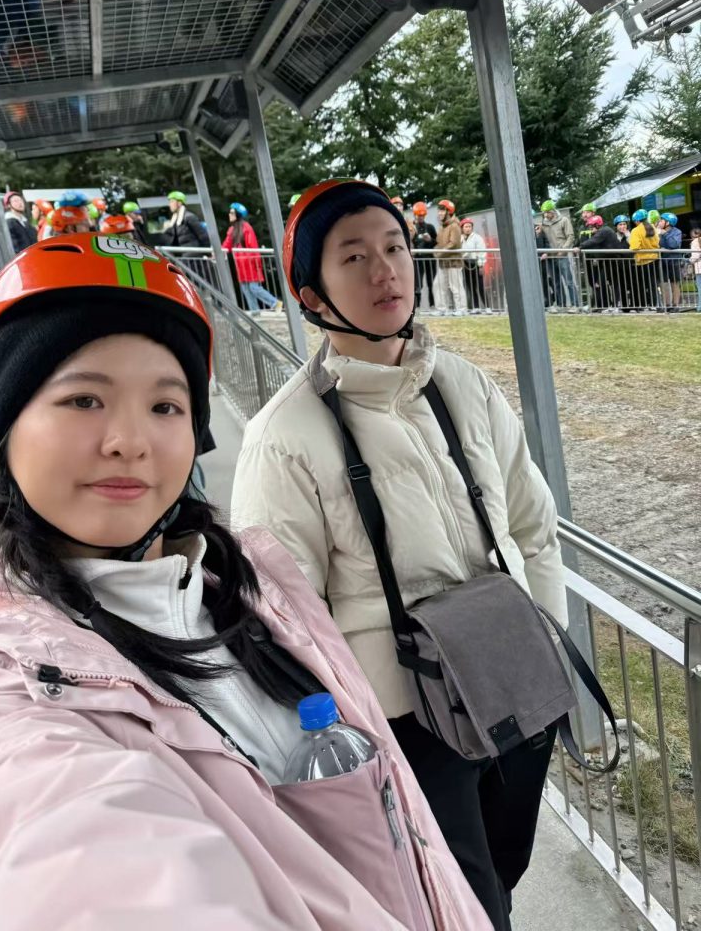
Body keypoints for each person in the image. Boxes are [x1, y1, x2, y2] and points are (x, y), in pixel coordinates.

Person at [0, 232, 490, 931]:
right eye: (83, 400)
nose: (129, 441)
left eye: (166, 406)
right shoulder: (1, 686)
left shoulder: (255, 584)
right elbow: (68, 852)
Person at [231, 179, 568, 931]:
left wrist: (547, 637)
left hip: (510, 674)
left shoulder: (463, 383)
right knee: (461, 897)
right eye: (354, 257)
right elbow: (281, 616)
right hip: (404, 718)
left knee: (506, 864)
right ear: (312, 295)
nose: (385, 271)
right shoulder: (283, 436)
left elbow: (532, 523)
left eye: (394, 248)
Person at [222, 203, 281, 314]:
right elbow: (226, 245)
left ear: (238, 215)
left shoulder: (246, 228)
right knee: (245, 289)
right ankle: (255, 312)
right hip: (241, 266)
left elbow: (253, 246)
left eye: (232, 213)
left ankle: (275, 303)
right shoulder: (232, 230)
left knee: (254, 288)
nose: (229, 214)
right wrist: (216, 253)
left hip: (250, 264)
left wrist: (257, 264)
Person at [539, 200, 579, 308]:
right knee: (556, 283)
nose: (546, 215)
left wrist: (563, 250)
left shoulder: (564, 220)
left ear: (553, 211)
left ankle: (576, 305)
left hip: (562, 256)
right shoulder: (543, 224)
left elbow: (570, 236)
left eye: (548, 212)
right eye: (544, 212)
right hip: (550, 257)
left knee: (569, 282)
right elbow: (542, 239)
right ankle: (562, 305)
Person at [433, 199, 467, 314]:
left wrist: (439, 253)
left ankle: (461, 309)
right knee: (438, 286)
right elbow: (439, 243)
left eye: (442, 211)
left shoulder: (454, 226)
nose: (439, 213)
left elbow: (453, 243)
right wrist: (435, 250)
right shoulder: (442, 227)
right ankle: (441, 309)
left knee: (456, 287)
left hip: (453, 262)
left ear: (449, 212)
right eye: (439, 211)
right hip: (443, 262)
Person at [579, 215, 614, 310]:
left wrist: (580, 247)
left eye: (591, 227)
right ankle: (601, 305)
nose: (590, 230)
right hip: (605, 261)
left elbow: (593, 241)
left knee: (601, 283)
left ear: (597, 225)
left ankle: (607, 305)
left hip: (612, 261)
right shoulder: (601, 231)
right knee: (597, 283)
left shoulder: (604, 231)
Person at [628, 208, 660, 310]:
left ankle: (643, 305)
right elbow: (657, 242)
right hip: (654, 259)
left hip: (642, 261)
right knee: (652, 284)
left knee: (641, 285)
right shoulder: (652, 227)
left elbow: (635, 247)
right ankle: (654, 305)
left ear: (637, 220)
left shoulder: (636, 230)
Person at [410, 202, 437, 311]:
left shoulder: (430, 227)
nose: (420, 217)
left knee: (431, 283)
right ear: (415, 215)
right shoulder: (412, 228)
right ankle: (417, 307)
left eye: (422, 215)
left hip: (430, 259)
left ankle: (432, 305)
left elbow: (436, 242)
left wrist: (430, 240)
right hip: (418, 260)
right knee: (418, 284)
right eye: (418, 215)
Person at [460, 218, 487, 312]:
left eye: (469, 226)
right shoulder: (460, 238)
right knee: (471, 287)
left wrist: (481, 265)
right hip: (465, 264)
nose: (468, 228)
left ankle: (487, 306)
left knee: (480, 286)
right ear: (462, 228)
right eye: (466, 227)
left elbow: (481, 252)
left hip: (476, 263)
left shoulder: (477, 238)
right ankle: (476, 307)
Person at [659, 212, 683, 312]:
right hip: (662, 260)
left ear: (667, 222)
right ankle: (667, 305)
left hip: (674, 261)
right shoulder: (658, 232)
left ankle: (675, 305)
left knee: (675, 283)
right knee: (663, 283)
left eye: (661, 220)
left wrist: (665, 234)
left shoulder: (677, 232)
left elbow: (673, 244)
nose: (659, 222)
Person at [612, 215, 635, 311]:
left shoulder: (630, 234)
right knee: (620, 285)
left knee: (632, 285)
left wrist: (627, 235)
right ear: (616, 226)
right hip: (617, 265)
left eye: (624, 224)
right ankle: (623, 305)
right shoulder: (614, 236)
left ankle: (634, 305)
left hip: (630, 264)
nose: (622, 226)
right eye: (620, 224)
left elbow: (634, 245)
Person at [690, 227, 701, 313]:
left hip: (699, 268)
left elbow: (695, 256)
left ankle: (700, 307)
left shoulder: (695, 242)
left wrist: (690, 260)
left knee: (700, 288)